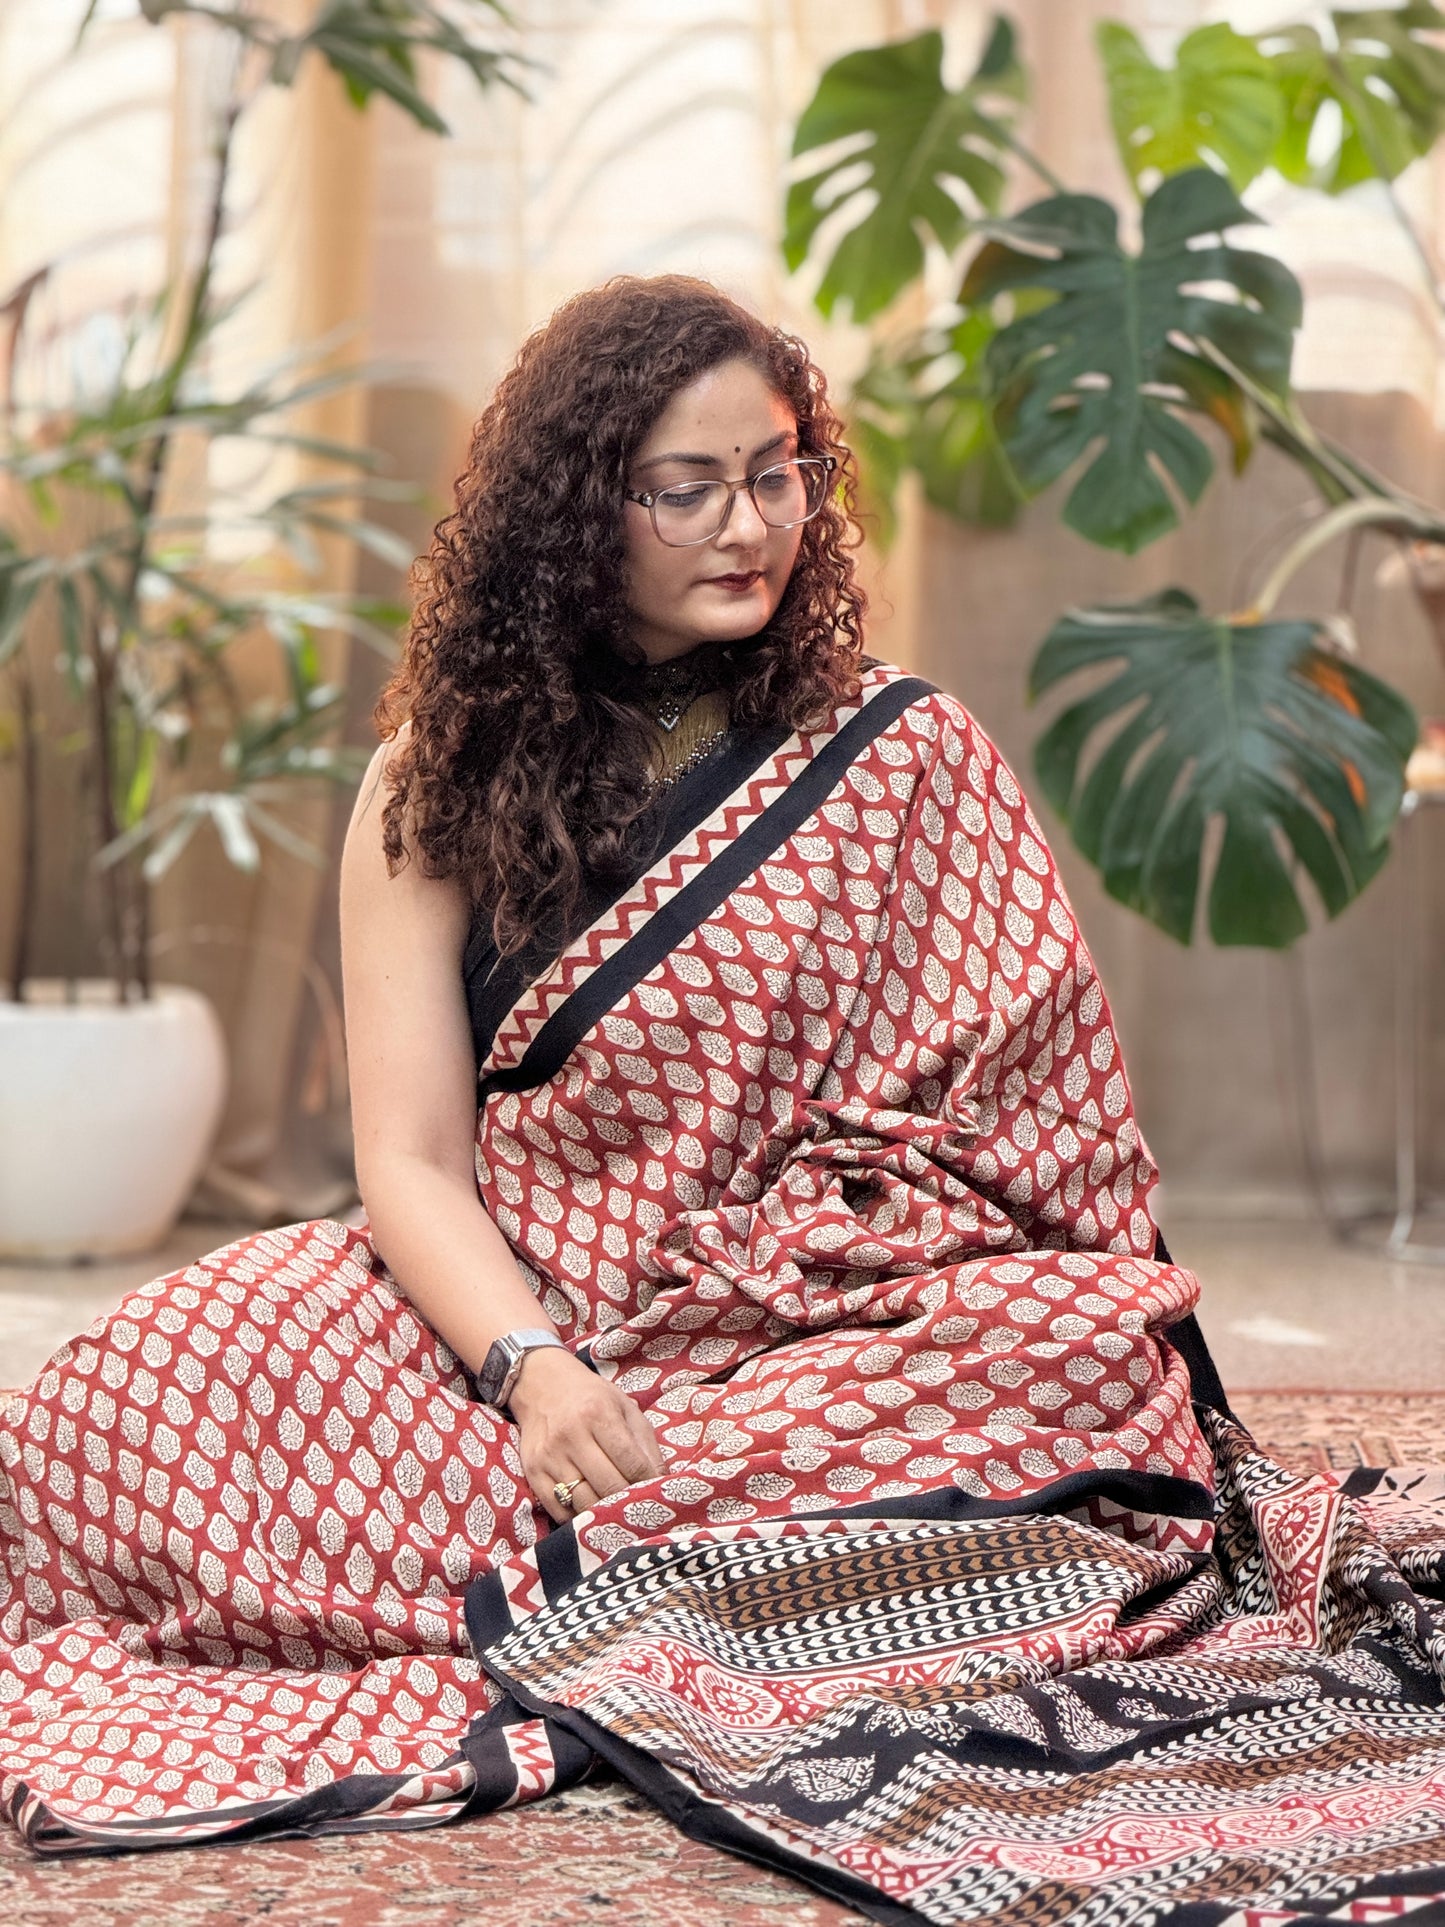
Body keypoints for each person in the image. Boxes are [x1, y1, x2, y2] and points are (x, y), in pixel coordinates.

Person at [2, 277, 1443, 1925]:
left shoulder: (901, 755)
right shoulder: (438, 775)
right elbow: (406, 1158)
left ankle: (613, 1550)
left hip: (824, 1330)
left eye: (774, 473)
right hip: (512, 1306)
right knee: (136, 1388)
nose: (745, 523)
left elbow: (1041, 1134)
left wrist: (824, 1249)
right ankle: (690, 1549)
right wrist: (533, 1371)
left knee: (1072, 1344)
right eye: (684, 488)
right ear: (573, 512)